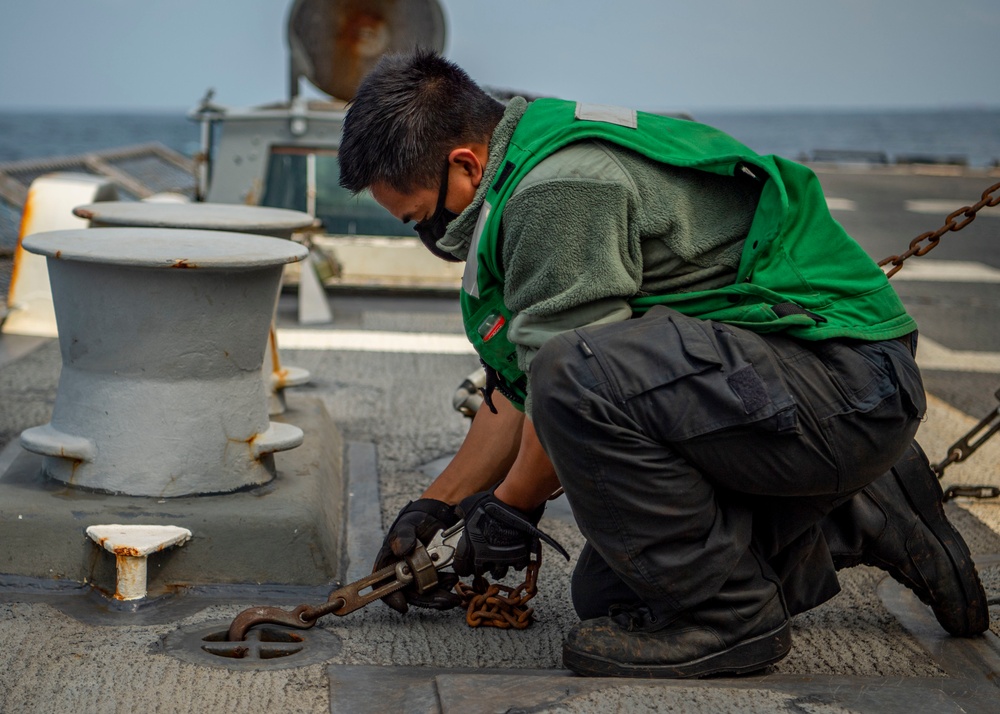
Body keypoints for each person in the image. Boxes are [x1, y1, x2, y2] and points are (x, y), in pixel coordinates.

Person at [337, 50, 988, 678]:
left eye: (420, 218)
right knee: (614, 593)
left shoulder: (556, 190)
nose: (425, 238)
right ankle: (861, 508)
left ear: (464, 164)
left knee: (574, 370)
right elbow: (519, 391)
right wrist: (435, 509)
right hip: (779, 386)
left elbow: (565, 380)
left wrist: (510, 508)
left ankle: (732, 619)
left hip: (847, 381)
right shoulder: (522, 163)